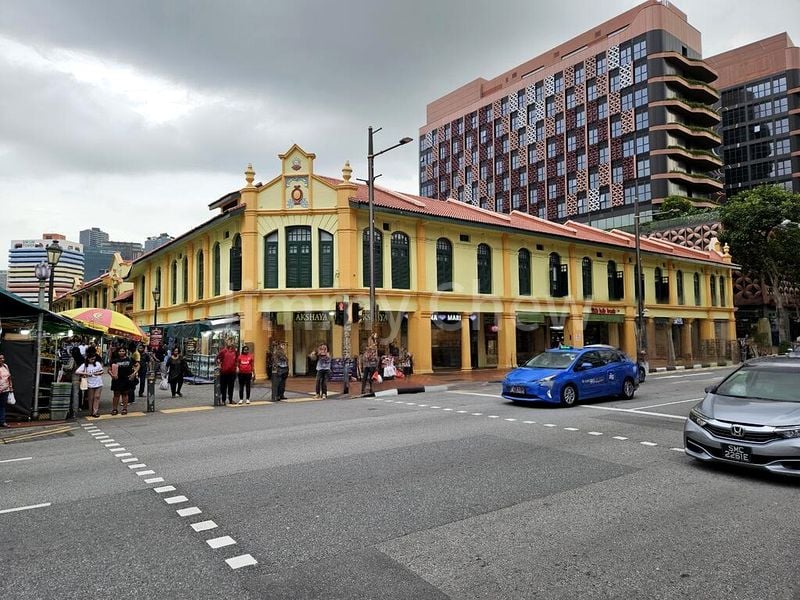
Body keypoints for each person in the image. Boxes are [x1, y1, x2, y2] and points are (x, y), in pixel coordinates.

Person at [76, 352, 104, 418]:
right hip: (90, 384)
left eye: (94, 359)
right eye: (91, 359)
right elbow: (77, 371)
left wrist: (99, 373)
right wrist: (86, 373)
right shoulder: (84, 365)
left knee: (97, 397)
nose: (93, 360)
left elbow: (102, 371)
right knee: (90, 398)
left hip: (98, 382)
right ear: (88, 359)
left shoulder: (98, 364)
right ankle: (91, 411)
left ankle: (95, 412)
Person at [110, 346, 137, 415]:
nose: (121, 352)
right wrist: (112, 375)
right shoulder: (114, 360)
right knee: (116, 394)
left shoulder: (129, 359)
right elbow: (109, 369)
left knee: (125, 394)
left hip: (126, 379)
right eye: (120, 351)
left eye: (123, 351)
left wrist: (134, 374)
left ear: (125, 352)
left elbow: (137, 365)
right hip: (117, 380)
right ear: (117, 352)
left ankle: (125, 409)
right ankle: (114, 409)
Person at [0, 353, 14, 427]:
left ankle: (2, 422)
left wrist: (11, 387)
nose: (2, 360)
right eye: (0, 358)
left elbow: (9, 377)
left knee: (2, 406)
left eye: (3, 358)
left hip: (5, 390)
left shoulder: (5, 366)